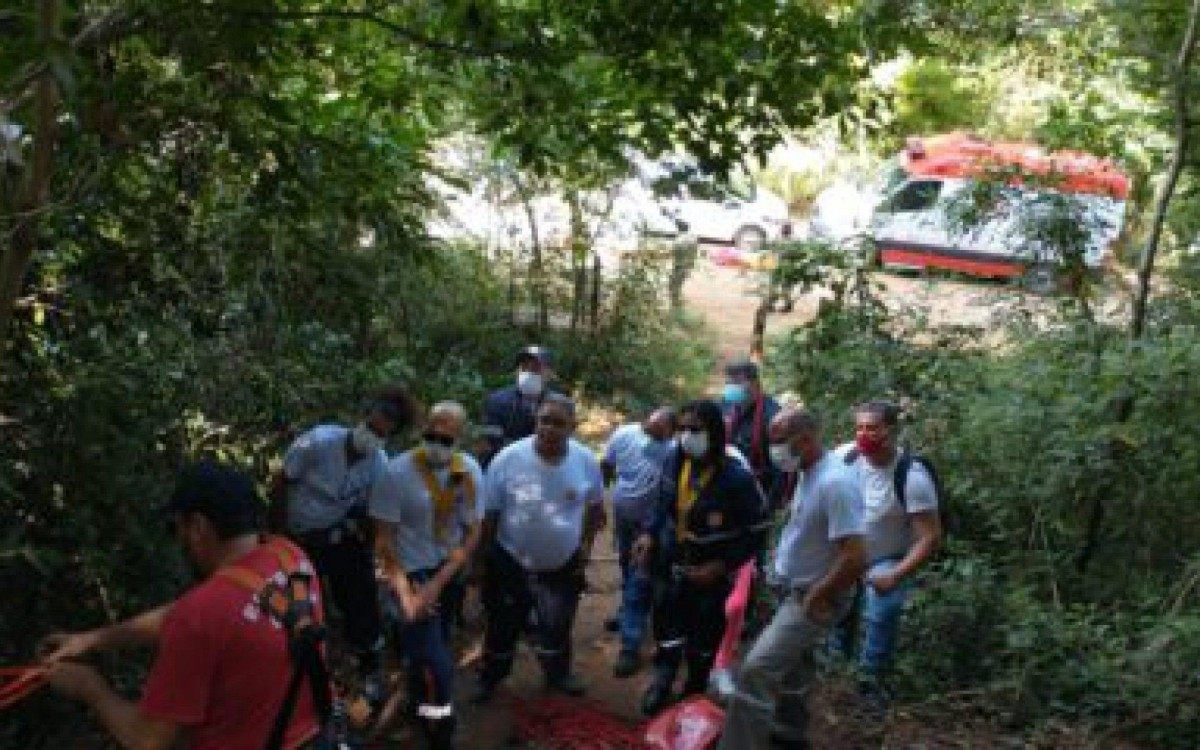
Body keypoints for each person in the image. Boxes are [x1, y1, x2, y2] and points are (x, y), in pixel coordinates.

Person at [40, 462, 325, 750]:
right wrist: (92, 640)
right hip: (314, 737)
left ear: (199, 526)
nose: (180, 540)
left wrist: (90, 688)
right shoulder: (291, 558)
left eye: (177, 528)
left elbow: (147, 741)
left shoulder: (201, 615)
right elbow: (193, 614)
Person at [719, 408, 866, 750]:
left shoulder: (835, 483)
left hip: (815, 595)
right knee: (795, 666)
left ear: (806, 439)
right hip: (796, 588)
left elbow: (856, 555)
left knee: (756, 670)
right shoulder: (808, 471)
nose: (774, 449)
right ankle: (790, 734)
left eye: (780, 441)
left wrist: (819, 593)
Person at [269, 386, 418, 697]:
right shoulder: (319, 442)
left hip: (338, 536)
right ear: (364, 416)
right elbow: (282, 482)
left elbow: (372, 511)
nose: (374, 434)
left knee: (360, 597)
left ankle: (368, 665)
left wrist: (372, 550)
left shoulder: (378, 464)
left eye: (383, 432)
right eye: (374, 424)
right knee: (296, 604)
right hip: (297, 538)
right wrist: (279, 538)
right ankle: (296, 670)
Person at [634, 399, 766, 716]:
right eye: (681, 429)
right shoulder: (673, 460)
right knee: (667, 629)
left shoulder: (737, 477)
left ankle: (694, 691)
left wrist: (721, 566)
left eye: (695, 429)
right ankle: (662, 681)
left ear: (715, 433)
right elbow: (661, 503)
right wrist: (648, 533)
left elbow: (757, 531)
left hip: (711, 574)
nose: (686, 436)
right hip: (671, 564)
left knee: (703, 639)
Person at [475, 394, 606, 702]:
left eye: (558, 423)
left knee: (557, 626)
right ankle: (491, 677)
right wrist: (482, 563)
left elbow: (596, 509)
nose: (548, 428)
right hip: (511, 562)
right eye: (543, 420)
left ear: (572, 427)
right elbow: (489, 515)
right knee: (502, 627)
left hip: (562, 566)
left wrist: (585, 548)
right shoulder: (507, 459)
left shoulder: (585, 460)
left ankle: (558, 675)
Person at [370, 400, 483, 748]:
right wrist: (408, 594)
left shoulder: (469, 472)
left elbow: (473, 530)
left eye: (447, 439)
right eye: (432, 435)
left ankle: (416, 697)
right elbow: (384, 539)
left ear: (460, 438)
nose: (437, 444)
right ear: (424, 430)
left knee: (432, 644)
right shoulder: (397, 472)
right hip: (409, 571)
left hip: (446, 574)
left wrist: (439, 582)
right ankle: (439, 728)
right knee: (439, 663)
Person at [834, 400, 941, 705]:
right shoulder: (845, 459)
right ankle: (833, 674)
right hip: (846, 552)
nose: (864, 434)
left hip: (886, 558)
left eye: (872, 428)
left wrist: (895, 575)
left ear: (890, 431)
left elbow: (929, 537)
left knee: (883, 609)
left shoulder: (912, 476)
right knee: (836, 613)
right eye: (859, 427)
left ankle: (870, 684)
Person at [600, 406, 677, 677]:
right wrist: (602, 498)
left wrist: (654, 530)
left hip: (651, 527)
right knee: (625, 564)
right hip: (624, 517)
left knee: (640, 576)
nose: (650, 439)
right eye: (648, 429)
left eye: (658, 435)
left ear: (670, 432)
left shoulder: (673, 451)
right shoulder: (624, 434)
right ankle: (627, 615)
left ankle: (630, 645)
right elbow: (607, 465)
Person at [480, 345, 568, 467]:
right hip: (505, 466)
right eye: (524, 367)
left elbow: (564, 441)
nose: (529, 372)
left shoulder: (559, 405)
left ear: (550, 372)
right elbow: (491, 442)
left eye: (535, 368)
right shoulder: (497, 401)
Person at [721, 359, 783, 508]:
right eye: (729, 383)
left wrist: (770, 503)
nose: (731, 387)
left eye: (737, 382)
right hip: (728, 489)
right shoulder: (725, 406)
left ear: (755, 384)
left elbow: (780, 468)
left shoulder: (773, 416)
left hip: (760, 491)